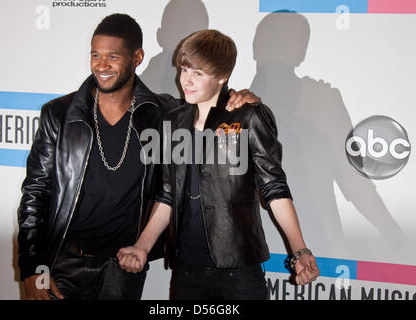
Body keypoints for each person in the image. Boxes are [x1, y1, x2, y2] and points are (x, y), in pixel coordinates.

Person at [17, 14, 259, 300]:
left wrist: (241, 99)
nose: (101, 65)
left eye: (112, 56)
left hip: (124, 265)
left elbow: (207, 99)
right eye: (95, 55)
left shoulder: (163, 114)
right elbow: (35, 192)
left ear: (138, 57)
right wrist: (32, 267)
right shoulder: (59, 114)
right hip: (63, 262)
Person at [117, 30, 320, 300]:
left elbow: (274, 187)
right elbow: (168, 193)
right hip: (186, 269)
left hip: (238, 270)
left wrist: (300, 249)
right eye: (184, 69)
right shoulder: (174, 121)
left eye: (198, 74)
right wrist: (142, 246)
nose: (186, 81)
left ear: (223, 76)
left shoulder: (249, 115)